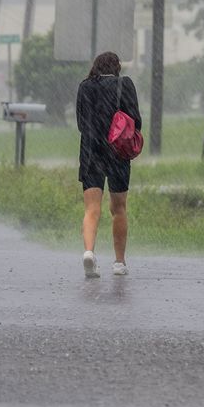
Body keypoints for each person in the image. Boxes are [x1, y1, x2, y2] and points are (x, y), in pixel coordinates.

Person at [75, 51, 141, 278]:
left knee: (92, 209)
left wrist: (96, 135)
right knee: (118, 208)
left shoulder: (85, 87)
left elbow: (81, 123)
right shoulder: (125, 85)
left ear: (95, 67)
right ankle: (119, 262)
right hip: (118, 153)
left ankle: (88, 253)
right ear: (116, 68)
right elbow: (136, 121)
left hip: (91, 151)